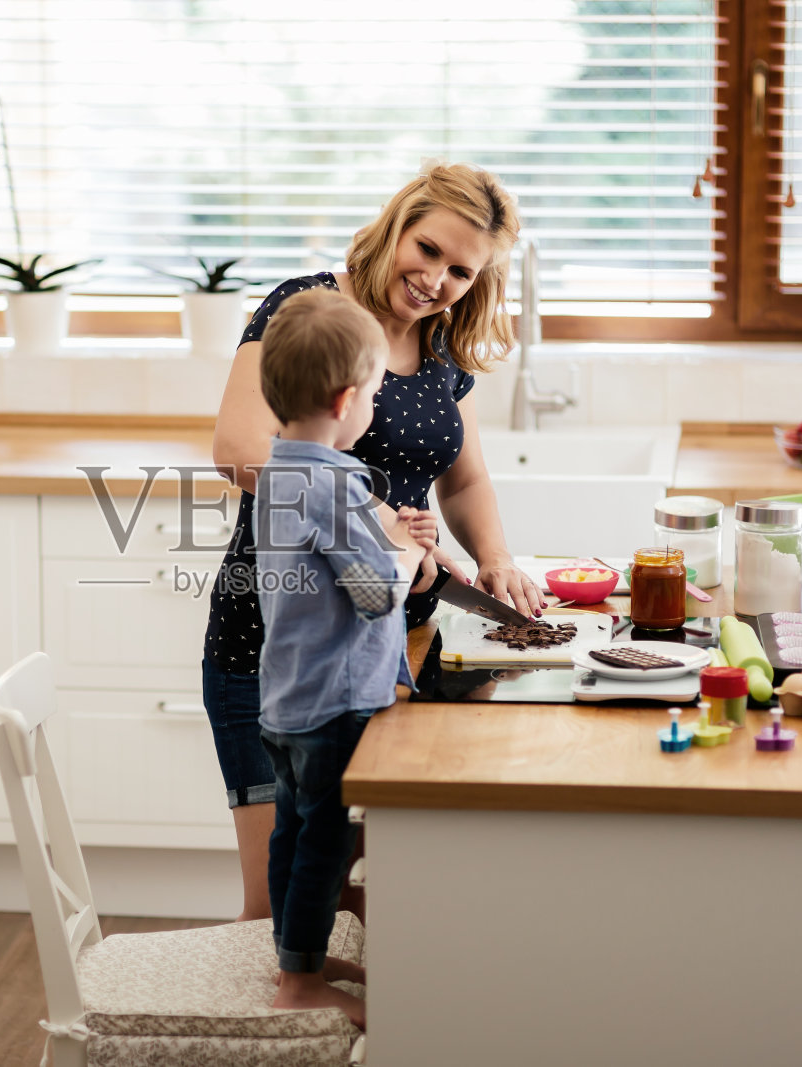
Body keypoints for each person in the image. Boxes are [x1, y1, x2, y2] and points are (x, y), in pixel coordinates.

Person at [205, 161, 541, 920]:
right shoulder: (309, 308)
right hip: (273, 648)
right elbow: (237, 445)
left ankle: (347, 1031)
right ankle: (277, 1034)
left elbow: (463, 482)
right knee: (281, 901)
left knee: (352, 891)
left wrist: (494, 557)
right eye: (427, 250)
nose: (436, 280)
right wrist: (376, 520)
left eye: (461, 271)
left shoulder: (443, 350)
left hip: (386, 647)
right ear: (398, 223)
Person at [252, 288, 433, 1028]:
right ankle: (299, 987)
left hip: (287, 697)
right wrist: (403, 551)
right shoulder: (336, 482)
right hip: (335, 702)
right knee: (326, 842)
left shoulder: (280, 471)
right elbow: (370, 593)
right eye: (375, 397)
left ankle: (297, 956)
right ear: (347, 398)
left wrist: (393, 540)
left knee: (292, 831)